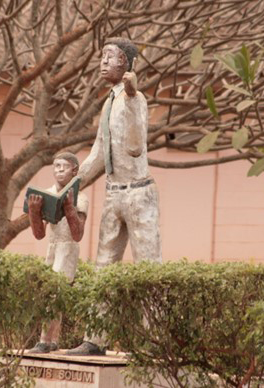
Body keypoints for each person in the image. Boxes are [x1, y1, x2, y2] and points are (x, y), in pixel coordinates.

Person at [67, 38, 162, 356]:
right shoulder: (109, 102)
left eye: (110, 57)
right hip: (113, 194)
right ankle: (95, 339)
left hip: (139, 195)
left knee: (148, 268)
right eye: (102, 56)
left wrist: (134, 97)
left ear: (126, 63)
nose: (103, 62)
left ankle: (154, 342)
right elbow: (97, 153)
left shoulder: (137, 100)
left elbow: (136, 146)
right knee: (103, 268)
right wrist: (74, 184)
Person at [27, 152, 88, 353]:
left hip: (67, 248)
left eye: (64, 166)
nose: (59, 170)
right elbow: (38, 234)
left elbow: (78, 234)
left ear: (75, 171)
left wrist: (70, 208)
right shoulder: (48, 193)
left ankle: (44, 341)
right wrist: (34, 213)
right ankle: (52, 341)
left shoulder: (82, 198)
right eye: (56, 166)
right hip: (52, 248)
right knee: (52, 295)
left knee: (54, 294)